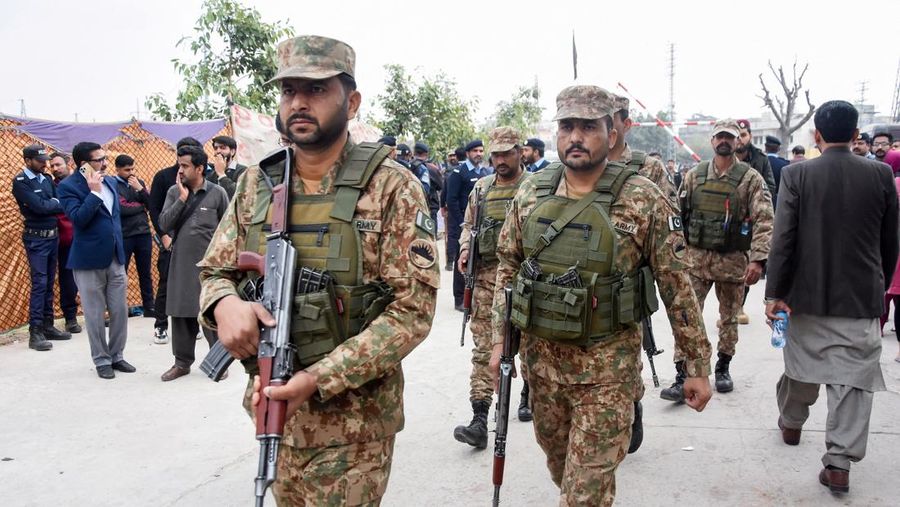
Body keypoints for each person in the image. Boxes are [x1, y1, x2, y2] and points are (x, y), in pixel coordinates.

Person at [197, 35, 439, 505]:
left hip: (355, 426)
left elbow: (411, 312)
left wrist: (319, 378)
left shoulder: (391, 187)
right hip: (273, 411)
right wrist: (224, 304)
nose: (299, 103)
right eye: (289, 91)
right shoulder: (257, 183)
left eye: (317, 90)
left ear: (352, 102)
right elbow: (214, 271)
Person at [488, 85, 712, 505]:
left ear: (612, 134)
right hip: (542, 369)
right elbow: (508, 268)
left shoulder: (642, 197)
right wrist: (500, 339)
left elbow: (677, 286)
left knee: (583, 494)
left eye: (588, 127)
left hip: (608, 372)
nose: (576, 137)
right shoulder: (531, 192)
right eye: (567, 126)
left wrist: (696, 364)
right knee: (562, 470)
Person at [765, 100, 898, 494]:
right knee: (854, 381)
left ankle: (791, 423)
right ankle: (839, 463)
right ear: (856, 134)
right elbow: (890, 240)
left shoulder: (796, 174)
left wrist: (775, 293)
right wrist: (880, 282)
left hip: (805, 296)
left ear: (817, 135)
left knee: (802, 366)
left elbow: (783, 239)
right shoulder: (881, 174)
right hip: (860, 298)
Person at [659, 119, 774, 402]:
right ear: (712, 141)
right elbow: (677, 215)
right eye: (720, 136)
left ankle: (723, 367)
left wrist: (758, 260)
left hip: (733, 262)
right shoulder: (695, 175)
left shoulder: (750, 178)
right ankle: (682, 375)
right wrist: (673, 253)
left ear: (738, 141)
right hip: (696, 262)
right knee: (687, 318)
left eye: (730, 137)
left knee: (729, 319)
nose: (724, 141)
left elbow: (764, 219)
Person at [452, 127, 532, 450]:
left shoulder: (535, 188)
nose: (500, 160)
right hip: (486, 280)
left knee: (530, 347)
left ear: (520, 152)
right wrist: (464, 249)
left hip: (525, 280)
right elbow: (468, 225)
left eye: (506, 153)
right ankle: (479, 417)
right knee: (485, 350)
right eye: (495, 154)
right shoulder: (482, 189)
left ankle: (528, 395)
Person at [57, 142, 133, 379]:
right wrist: (93, 193)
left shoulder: (110, 182)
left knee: (119, 310)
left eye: (104, 158)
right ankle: (101, 359)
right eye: (99, 160)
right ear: (84, 164)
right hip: (88, 260)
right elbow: (78, 218)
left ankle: (117, 355)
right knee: (94, 313)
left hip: (115, 257)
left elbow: (114, 218)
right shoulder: (68, 186)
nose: (105, 163)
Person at [157, 145, 228, 381]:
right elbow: (163, 224)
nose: (180, 170)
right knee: (180, 314)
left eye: (185, 166)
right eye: (179, 165)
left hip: (210, 268)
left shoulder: (217, 193)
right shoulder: (173, 192)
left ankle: (219, 362)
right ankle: (182, 363)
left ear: (199, 168)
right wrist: (182, 199)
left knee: (212, 313)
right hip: (180, 265)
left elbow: (228, 228)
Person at [12, 144, 72, 351]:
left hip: (53, 236)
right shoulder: (21, 182)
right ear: (28, 161)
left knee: (49, 283)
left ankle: (48, 325)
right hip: (36, 239)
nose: (45, 164)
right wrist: (49, 204)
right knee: (40, 283)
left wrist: (48, 205)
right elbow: (39, 207)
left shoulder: (45, 179)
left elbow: (60, 203)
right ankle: (35, 331)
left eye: (45, 160)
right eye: (40, 161)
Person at [149, 136, 204, 345]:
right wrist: (163, 236)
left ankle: (194, 324)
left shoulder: (204, 180)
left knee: (196, 284)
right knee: (166, 284)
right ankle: (161, 326)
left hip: (196, 245)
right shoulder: (164, 177)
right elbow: (154, 208)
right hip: (170, 241)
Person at [446, 139, 489, 310]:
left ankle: (473, 297)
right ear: (468, 153)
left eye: (481, 151)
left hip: (479, 225)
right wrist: (462, 223)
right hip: (463, 226)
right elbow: (452, 200)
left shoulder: (484, 172)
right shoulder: (459, 173)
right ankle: (459, 299)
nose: (478, 154)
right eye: (475, 151)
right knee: (461, 262)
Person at [610, 95, 676, 202]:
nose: (601, 126)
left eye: (608, 121)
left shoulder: (652, 168)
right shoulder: (584, 167)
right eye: (591, 124)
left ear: (626, 125)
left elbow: (669, 210)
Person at [113, 154, 155, 317]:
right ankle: (120, 308)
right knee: (120, 274)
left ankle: (149, 306)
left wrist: (140, 189)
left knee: (145, 272)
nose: (130, 172)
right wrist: (140, 206)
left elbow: (151, 204)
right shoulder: (113, 184)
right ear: (117, 169)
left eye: (132, 169)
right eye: (126, 170)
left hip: (143, 232)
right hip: (125, 234)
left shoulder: (139, 182)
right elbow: (121, 208)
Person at [49, 152, 81, 333]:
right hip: (66, 240)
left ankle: (101, 313)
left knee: (97, 276)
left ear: (68, 163)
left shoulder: (81, 181)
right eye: (52, 166)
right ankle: (70, 318)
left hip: (87, 237)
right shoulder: (51, 186)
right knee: (68, 280)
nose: (55, 169)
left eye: (58, 164)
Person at [879, 150, 900, 362]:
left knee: (887, 297)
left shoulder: (893, 184)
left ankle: (877, 329)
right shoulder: (890, 182)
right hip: (892, 253)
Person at [412, 142, 442, 227]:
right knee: (430, 232)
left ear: (414, 152)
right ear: (426, 154)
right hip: (430, 207)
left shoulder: (407, 165)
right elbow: (440, 186)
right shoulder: (432, 168)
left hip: (413, 207)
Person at [764, 135, 789, 203]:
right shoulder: (785, 164)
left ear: (766, 147)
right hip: (778, 201)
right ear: (778, 149)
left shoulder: (759, 162)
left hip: (761, 200)